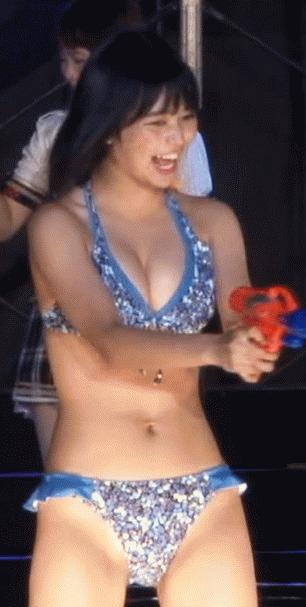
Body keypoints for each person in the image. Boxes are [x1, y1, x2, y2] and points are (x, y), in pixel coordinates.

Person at [24, 29, 277, 607]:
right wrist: (217, 349)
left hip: (201, 492)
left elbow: (241, 311)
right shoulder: (58, 226)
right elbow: (108, 338)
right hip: (87, 501)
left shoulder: (213, 221)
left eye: (186, 121)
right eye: (158, 124)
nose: (178, 139)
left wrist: (258, 334)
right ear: (112, 126)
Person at [0, 0, 212, 462]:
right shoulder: (56, 133)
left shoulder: (175, 141)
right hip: (68, 332)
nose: (69, 74)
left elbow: (197, 236)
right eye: (64, 60)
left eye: (80, 61)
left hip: (152, 327)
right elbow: (10, 217)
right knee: (72, 481)